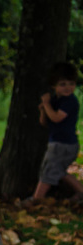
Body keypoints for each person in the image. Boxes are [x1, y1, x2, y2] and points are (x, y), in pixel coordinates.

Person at [28, 61, 83, 205]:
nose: (68, 88)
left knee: (49, 172)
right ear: (54, 86)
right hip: (57, 142)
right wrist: (43, 110)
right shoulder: (55, 101)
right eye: (62, 84)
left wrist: (46, 105)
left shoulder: (70, 101)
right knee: (58, 172)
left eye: (71, 83)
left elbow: (57, 118)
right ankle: (81, 193)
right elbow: (45, 122)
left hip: (64, 144)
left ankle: (36, 199)